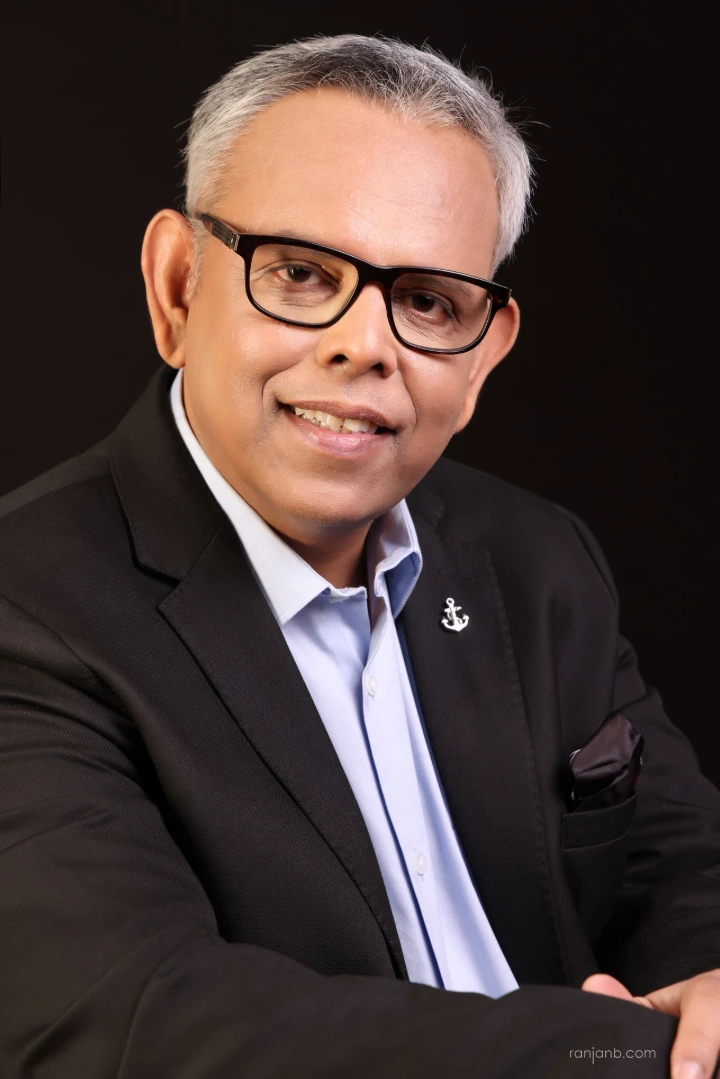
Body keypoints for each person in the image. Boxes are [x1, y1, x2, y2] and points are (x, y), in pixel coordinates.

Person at [1, 33, 718, 1079]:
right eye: (299, 272)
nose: (366, 344)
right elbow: (136, 1023)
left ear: (482, 355)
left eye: (427, 301)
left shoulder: (536, 559)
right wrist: (627, 1052)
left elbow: (686, 869)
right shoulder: (28, 608)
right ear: (176, 287)